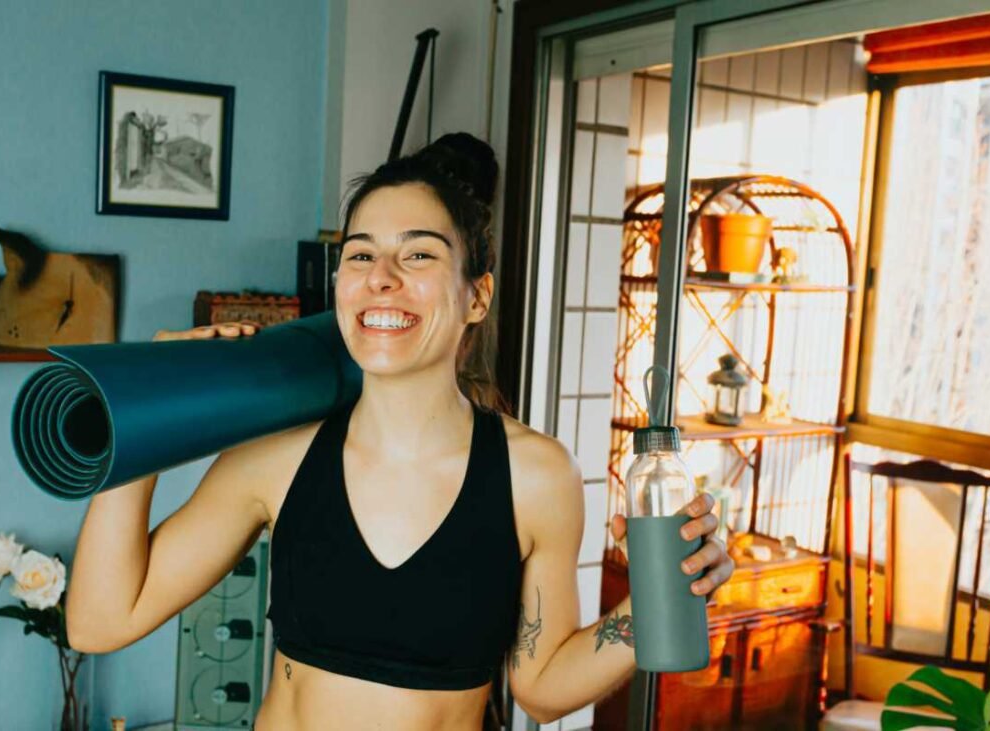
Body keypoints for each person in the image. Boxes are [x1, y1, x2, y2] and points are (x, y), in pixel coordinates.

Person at [66, 132, 735, 729]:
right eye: (360, 256)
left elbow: (543, 686)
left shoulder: (534, 475)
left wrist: (654, 603)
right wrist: (141, 407)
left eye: (418, 255)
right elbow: (100, 620)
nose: (381, 278)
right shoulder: (276, 458)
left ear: (476, 295)